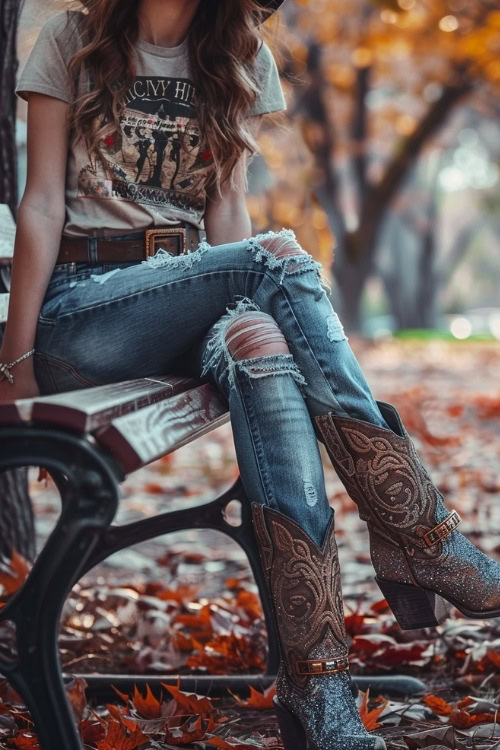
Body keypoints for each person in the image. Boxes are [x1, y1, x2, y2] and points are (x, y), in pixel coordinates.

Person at [1, 1, 499, 748]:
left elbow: (225, 209)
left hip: (188, 298)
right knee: (276, 257)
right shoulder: (72, 42)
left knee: (261, 345)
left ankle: (320, 690)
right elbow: (38, 205)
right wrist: (17, 360)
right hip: (84, 313)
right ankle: (416, 532)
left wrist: (238, 314)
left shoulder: (237, 56)